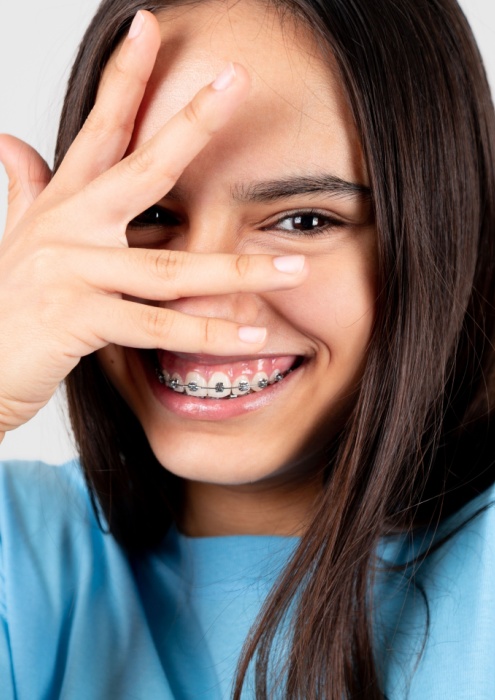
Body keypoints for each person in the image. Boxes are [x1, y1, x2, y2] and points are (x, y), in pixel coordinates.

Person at [0, 0, 494, 697]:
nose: (198, 296)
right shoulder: (16, 555)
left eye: (301, 219)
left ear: (440, 233)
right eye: (149, 213)